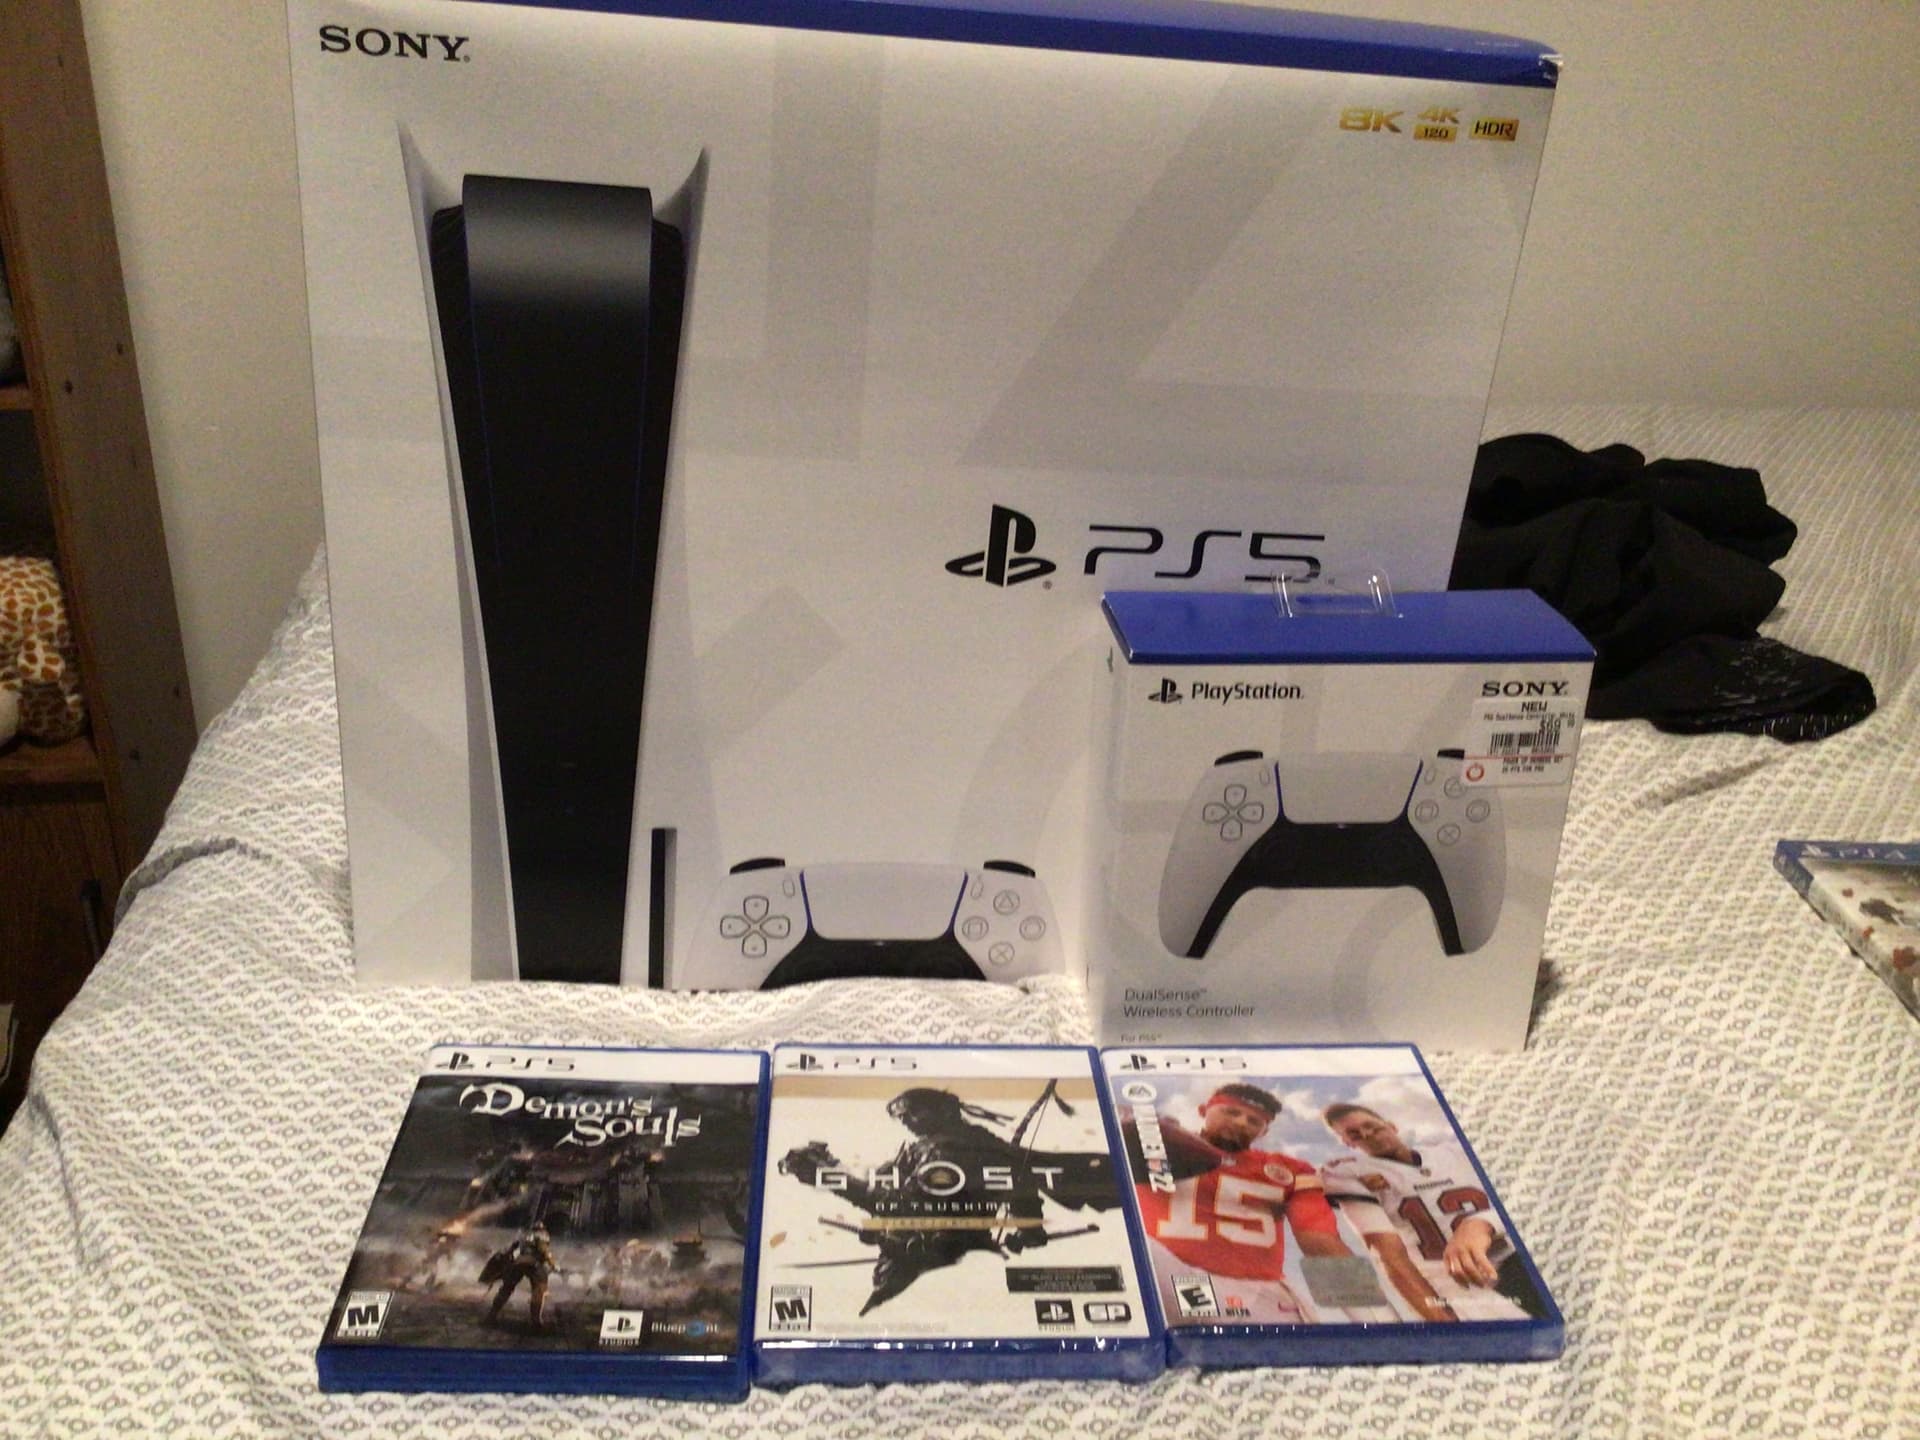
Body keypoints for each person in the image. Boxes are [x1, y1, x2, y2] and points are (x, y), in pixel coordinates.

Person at [778, 1084, 1115, 1314]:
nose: (905, 1121)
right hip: (909, 1251)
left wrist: (825, 1176)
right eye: (901, 1116)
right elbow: (886, 1185)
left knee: (881, 1309)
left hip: (942, 1258)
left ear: (938, 1112)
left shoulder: (952, 1150)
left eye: (910, 1113)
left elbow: (902, 1203)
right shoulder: (920, 1147)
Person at [1127, 1082, 1417, 1324]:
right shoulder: (1157, 1144)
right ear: (1203, 1111)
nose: (1242, 1122)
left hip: (1259, 1294)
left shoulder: (1291, 1169)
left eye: (1254, 1121)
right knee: (1134, 1244)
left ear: (1264, 1131)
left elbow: (1319, 1242)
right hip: (1180, 1280)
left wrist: (1380, 1323)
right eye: (1231, 1112)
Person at [1320, 1101, 1544, 1321]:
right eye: (1354, 1134)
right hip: (1458, 1284)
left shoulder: (1456, 1152)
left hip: (1514, 1258)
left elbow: (1526, 1197)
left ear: (1391, 1125)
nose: (1366, 1134)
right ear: (1348, 1143)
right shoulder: (1351, 1173)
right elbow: (1387, 1255)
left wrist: (1481, 1223)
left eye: (1370, 1125)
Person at [480, 1221, 557, 1329]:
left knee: (506, 1289)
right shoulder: (542, 1235)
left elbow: (511, 1248)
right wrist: (554, 1265)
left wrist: (506, 1262)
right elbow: (544, 1251)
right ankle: (536, 1322)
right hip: (533, 1264)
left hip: (517, 1263)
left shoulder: (524, 1235)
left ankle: (492, 1315)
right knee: (539, 1290)